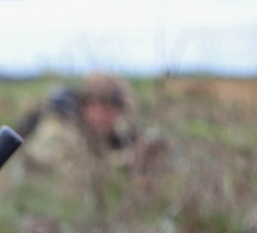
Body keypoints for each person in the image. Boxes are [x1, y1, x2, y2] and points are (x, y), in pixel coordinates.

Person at [17, 72, 168, 178]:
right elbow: (69, 170)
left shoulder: (112, 126)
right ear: (87, 104)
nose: (106, 115)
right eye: (101, 107)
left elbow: (137, 137)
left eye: (113, 108)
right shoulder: (60, 126)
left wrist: (148, 147)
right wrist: (123, 160)